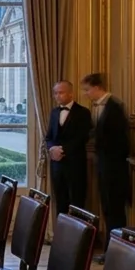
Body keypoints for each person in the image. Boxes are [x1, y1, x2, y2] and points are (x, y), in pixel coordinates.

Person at [82, 73, 131, 261]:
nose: (86, 94)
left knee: (115, 211)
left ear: (97, 87)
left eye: (87, 90)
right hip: (104, 166)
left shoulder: (114, 107)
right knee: (108, 209)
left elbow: (120, 140)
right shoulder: (98, 108)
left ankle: (116, 252)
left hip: (114, 169)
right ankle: (111, 250)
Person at [44, 80, 92, 216]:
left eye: (61, 92)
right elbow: (48, 137)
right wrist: (52, 149)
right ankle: (61, 235)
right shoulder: (54, 112)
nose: (57, 96)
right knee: (60, 201)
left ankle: (77, 235)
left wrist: (62, 150)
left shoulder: (83, 113)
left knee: (77, 202)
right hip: (57, 165)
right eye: (55, 93)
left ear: (71, 94)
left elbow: (82, 137)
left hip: (75, 164)